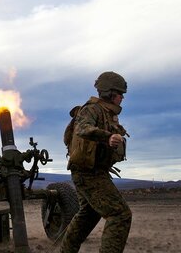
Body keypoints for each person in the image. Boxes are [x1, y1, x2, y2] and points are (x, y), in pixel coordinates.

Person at [61, 71, 132, 253]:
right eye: (119, 94)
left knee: (88, 215)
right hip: (88, 174)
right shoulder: (91, 109)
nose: (122, 97)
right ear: (110, 93)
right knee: (119, 214)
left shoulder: (107, 113)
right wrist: (107, 137)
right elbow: (83, 128)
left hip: (92, 172)